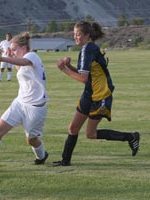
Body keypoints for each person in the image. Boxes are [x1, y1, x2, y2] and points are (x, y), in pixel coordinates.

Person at [53, 21, 140, 167]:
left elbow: (83, 78)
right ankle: (65, 161)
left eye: (78, 34)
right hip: (89, 93)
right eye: (74, 34)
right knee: (73, 128)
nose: (76, 37)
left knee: (90, 134)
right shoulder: (87, 49)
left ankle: (131, 137)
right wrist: (69, 66)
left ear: (87, 35)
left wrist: (64, 69)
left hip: (100, 95)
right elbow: (86, 74)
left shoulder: (88, 49)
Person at [0, 32, 49, 174]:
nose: (13, 53)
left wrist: (3, 58)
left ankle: (42, 155)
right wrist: (9, 55)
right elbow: (19, 65)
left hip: (35, 108)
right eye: (12, 50)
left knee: (32, 140)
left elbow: (23, 62)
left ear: (24, 47)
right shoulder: (22, 59)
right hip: (19, 104)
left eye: (15, 49)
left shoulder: (32, 56)